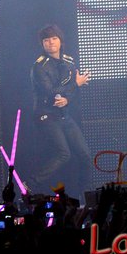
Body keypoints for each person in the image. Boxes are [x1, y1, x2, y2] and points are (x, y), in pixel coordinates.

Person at [28, 24, 92, 198]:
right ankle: (30, 184)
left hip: (64, 115)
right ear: (42, 44)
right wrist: (75, 84)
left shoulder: (69, 62)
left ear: (60, 40)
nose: (51, 43)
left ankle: (83, 194)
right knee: (64, 153)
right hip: (46, 115)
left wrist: (68, 99)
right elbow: (50, 91)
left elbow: (71, 91)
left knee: (85, 154)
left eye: (54, 38)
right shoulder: (39, 67)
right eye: (46, 40)